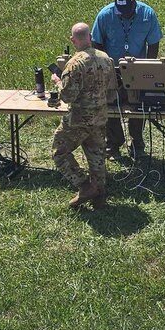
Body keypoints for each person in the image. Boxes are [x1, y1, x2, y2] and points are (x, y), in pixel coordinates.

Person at [91, 0, 162, 158]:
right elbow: (96, 43)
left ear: (134, 4)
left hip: (138, 69)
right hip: (112, 70)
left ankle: (137, 143)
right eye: (119, 11)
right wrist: (106, 65)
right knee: (110, 106)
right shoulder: (105, 15)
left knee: (139, 106)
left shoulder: (147, 14)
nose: (123, 14)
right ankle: (113, 144)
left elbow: (153, 44)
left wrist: (147, 67)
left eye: (127, 10)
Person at [51, 22, 116, 209]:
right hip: (100, 116)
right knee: (96, 156)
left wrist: (58, 82)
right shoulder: (106, 59)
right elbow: (111, 90)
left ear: (73, 40)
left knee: (59, 153)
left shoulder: (74, 64)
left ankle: (84, 186)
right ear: (90, 37)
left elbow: (67, 95)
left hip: (78, 120)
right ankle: (99, 195)